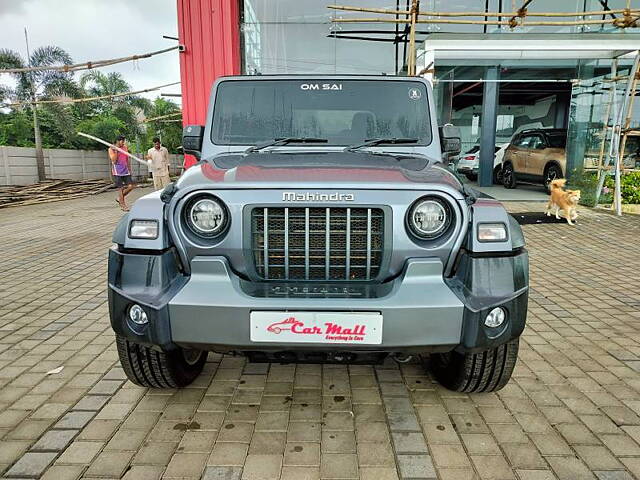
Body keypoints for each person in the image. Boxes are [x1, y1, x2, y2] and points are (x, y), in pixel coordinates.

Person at [109, 135, 135, 211]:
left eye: (124, 141)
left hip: (126, 171)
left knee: (131, 186)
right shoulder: (111, 149)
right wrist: (116, 151)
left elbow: (127, 159)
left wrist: (129, 169)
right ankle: (123, 205)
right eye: (122, 141)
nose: (123, 143)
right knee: (120, 188)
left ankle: (119, 198)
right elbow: (114, 161)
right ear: (117, 141)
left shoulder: (125, 147)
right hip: (117, 172)